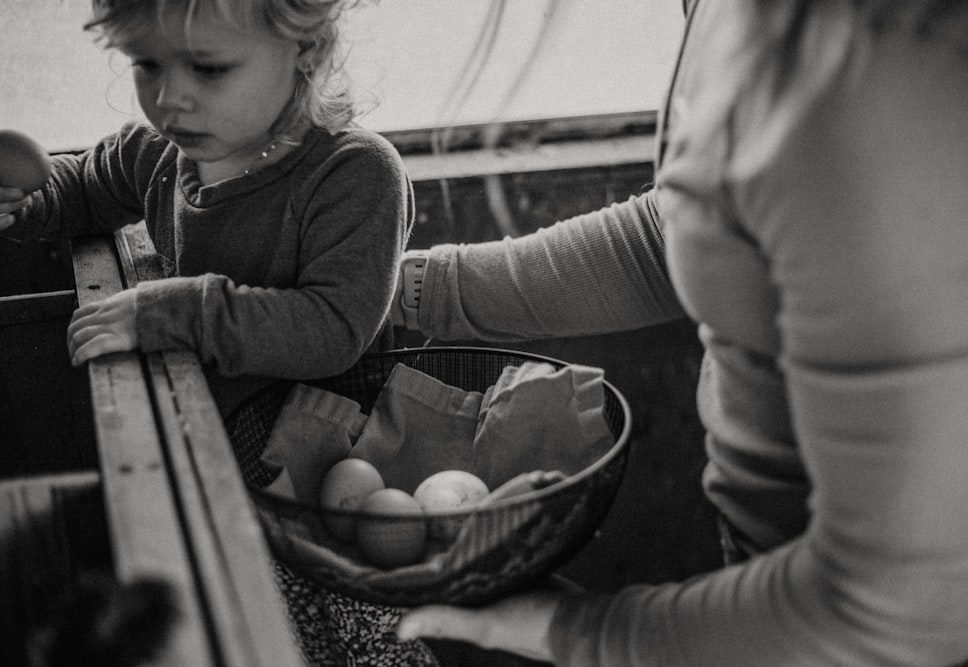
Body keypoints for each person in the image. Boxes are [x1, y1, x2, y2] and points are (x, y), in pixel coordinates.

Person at [393, 0, 968, 664]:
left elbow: (891, 613)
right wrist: (415, 291)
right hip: (775, 588)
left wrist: (583, 632)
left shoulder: (870, 69)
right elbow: (707, 224)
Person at [0, 1, 436, 665]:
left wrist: (170, 309)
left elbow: (331, 329)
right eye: (146, 64)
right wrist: (12, 206)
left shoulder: (354, 175)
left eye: (209, 68)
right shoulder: (163, 151)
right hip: (220, 474)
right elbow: (82, 189)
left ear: (304, 50)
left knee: (370, 645)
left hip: (328, 482)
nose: (169, 98)